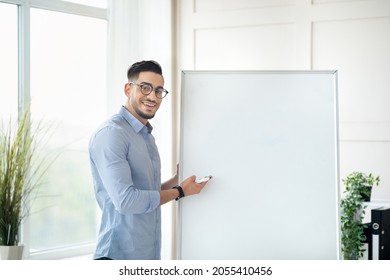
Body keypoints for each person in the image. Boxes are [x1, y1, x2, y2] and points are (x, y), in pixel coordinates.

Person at [88, 60, 210, 260]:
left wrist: (176, 181)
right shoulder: (111, 134)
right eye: (145, 88)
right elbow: (127, 201)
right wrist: (179, 191)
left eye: (158, 90)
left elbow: (145, 192)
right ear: (128, 89)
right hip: (117, 256)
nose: (152, 96)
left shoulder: (145, 135)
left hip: (147, 254)